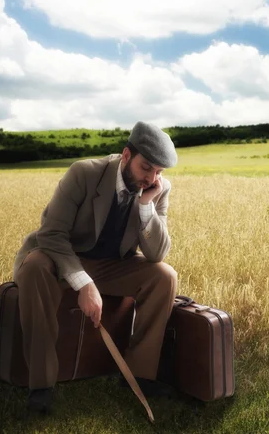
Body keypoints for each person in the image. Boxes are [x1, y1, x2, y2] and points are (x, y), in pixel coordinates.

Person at [13, 121, 178, 413]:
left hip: (111, 264)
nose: (152, 178)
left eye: (159, 172)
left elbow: (156, 254)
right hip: (60, 256)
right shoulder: (84, 173)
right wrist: (82, 283)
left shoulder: (157, 189)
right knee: (34, 267)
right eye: (146, 168)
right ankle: (41, 385)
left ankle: (139, 375)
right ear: (126, 155)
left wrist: (145, 206)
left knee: (164, 276)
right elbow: (51, 234)